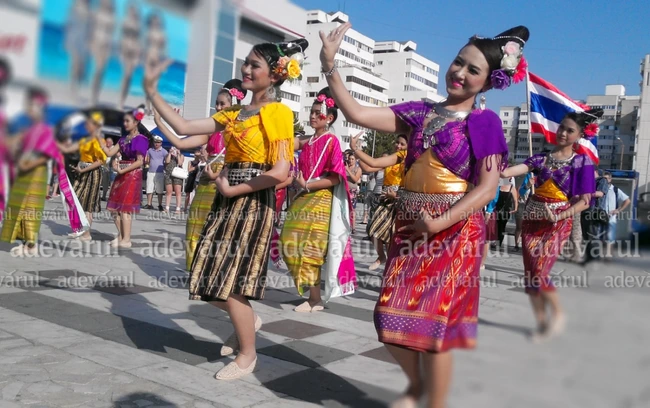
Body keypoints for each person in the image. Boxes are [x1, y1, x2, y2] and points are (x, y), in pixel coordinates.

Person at [320, 22, 527, 408]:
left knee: (435, 331)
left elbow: (487, 189)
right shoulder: (419, 112)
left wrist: (438, 222)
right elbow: (356, 112)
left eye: (473, 70)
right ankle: (417, 386)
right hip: (409, 228)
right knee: (387, 318)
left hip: (453, 232)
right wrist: (329, 64)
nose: (459, 73)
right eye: (458, 62)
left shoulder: (484, 123)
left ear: (488, 82)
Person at [144, 39, 307, 379]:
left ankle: (248, 355)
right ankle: (248, 320)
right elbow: (185, 130)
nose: (246, 69)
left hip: (252, 200)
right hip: (225, 196)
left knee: (231, 283)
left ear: (274, 75)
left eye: (254, 65)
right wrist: (152, 91)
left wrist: (234, 188)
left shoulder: (278, 113)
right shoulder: (234, 112)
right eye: (245, 62)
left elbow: (281, 171)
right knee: (205, 276)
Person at [502, 109, 600, 342]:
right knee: (530, 275)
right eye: (562, 127)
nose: (563, 133)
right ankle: (542, 322)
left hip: (557, 223)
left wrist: (559, 216)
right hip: (532, 220)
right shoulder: (541, 158)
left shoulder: (581, 162)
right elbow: (509, 171)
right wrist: (493, 162)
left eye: (570, 130)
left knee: (540, 272)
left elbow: (585, 202)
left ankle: (557, 314)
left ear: (579, 135)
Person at [152, 78, 247, 271]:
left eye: (222, 104)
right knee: (194, 226)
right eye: (217, 103)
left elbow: (244, 162)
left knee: (219, 232)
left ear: (233, 105)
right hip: (205, 183)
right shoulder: (211, 130)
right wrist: (159, 123)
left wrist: (218, 175)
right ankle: (195, 271)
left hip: (226, 185)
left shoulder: (242, 131)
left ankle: (213, 272)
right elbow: (180, 142)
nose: (218, 107)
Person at [280, 87, 356, 312]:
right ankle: (313, 296)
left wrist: (307, 185)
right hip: (303, 197)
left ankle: (315, 299)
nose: (312, 116)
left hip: (320, 199)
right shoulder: (309, 140)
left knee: (311, 250)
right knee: (289, 241)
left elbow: (335, 177)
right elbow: (286, 142)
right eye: (311, 112)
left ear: (329, 118)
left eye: (317, 112)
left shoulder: (331, 141)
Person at [2, 88, 88, 255]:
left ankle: (31, 245)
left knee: (31, 207)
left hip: (36, 171)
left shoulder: (46, 129)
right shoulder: (29, 129)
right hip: (25, 170)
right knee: (20, 206)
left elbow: (48, 154)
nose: (30, 109)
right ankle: (26, 242)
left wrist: (28, 165)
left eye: (33, 106)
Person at [350, 134, 407, 271]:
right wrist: (356, 152)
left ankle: (392, 268)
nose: (398, 146)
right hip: (385, 199)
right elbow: (369, 167)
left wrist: (396, 195)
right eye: (397, 142)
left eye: (402, 144)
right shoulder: (389, 159)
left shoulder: (408, 161)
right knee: (373, 229)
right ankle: (382, 257)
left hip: (399, 200)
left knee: (392, 236)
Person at [100, 107, 150, 248]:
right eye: (124, 121)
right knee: (113, 209)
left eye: (128, 121)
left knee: (125, 209)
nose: (125, 123)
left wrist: (123, 170)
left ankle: (126, 239)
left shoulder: (141, 139)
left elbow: (140, 161)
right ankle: (121, 235)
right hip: (121, 172)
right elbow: (109, 153)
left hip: (132, 174)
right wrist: (99, 139)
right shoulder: (123, 139)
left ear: (136, 122)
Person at [57, 112, 107, 241]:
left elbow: (100, 161)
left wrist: (83, 169)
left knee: (87, 205)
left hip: (93, 173)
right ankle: (80, 229)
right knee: (75, 199)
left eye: (89, 123)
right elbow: (67, 149)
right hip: (82, 171)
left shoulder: (98, 140)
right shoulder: (85, 139)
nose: (86, 125)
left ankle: (86, 234)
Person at [90, 0, 115, 106]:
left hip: (106, 46)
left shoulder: (112, 17)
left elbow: (111, 33)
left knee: (101, 72)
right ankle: (93, 97)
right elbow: (91, 28)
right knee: (97, 70)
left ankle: (95, 96)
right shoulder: (97, 12)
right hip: (97, 43)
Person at [65, 0, 91, 102]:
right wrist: (67, 41)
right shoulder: (75, 6)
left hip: (84, 42)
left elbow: (90, 28)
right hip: (74, 39)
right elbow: (69, 24)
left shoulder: (90, 9)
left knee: (81, 69)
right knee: (75, 66)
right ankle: (72, 90)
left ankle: (76, 90)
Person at [118, 3, 141, 109]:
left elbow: (139, 40)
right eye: (131, 10)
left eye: (134, 11)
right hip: (125, 49)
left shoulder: (138, 24)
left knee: (128, 77)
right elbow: (121, 37)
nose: (133, 13)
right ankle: (120, 101)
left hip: (134, 50)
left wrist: (138, 56)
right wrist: (120, 52)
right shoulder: (125, 21)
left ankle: (122, 101)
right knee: (125, 76)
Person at [602, 171, 631, 257]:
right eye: (604, 179)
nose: (605, 180)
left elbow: (627, 200)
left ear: (610, 179)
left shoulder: (615, 190)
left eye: (607, 178)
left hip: (611, 219)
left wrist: (618, 210)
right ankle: (601, 254)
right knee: (600, 237)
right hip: (600, 218)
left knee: (610, 237)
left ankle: (608, 255)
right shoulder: (599, 189)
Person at [143, 135, 167, 210]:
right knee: (149, 188)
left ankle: (160, 205)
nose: (156, 144)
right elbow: (147, 159)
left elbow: (167, 161)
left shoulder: (164, 151)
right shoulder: (150, 150)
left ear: (161, 143)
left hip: (159, 172)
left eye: (158, 142)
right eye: (155, 142)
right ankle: (149, 204)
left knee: (159, 189)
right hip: (150, 171)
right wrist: (146, 161)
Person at [494, 176, 518, 249]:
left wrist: (515, 208)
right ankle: (496, 241)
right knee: (497, 226)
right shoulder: (499, 185)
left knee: (502, 226)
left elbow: (515, 200)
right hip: (497, 208)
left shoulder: (512, 187)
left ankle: (499, 242)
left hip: (506, 210)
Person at [513, 172, 534, 252]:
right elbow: (521, 192)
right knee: (519, 226)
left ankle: (529, 246)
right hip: (522, 204)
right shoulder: (529, 175)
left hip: (534, 205)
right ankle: (516, 245)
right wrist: (528, 185)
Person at [482, 186, 500, 270]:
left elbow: (495, 192)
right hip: (475, 206)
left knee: (486, 238)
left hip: (487, 210)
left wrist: (489, 210)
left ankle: (481, 263)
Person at [163, 146, 184, 214]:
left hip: (177, 175)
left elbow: (180, 163)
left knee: (178, 192)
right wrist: (170, 153)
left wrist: (178, 154)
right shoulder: (167, 155)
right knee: (169, 192)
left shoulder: (181, 156)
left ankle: (178, 209)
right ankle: (167, 208)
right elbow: (167, 161)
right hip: (168, 174)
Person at [345, 150, 362, 233]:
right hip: (344, 189)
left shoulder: (358, 169)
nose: (351, 161)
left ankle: (353, 227)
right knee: (344, 208)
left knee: (352, 209)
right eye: (350, 159)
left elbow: (355, 179)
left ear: (355, 160)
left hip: (352, 191)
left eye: (352, 159)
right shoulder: (344, 167)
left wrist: (348, 170)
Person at [100, 136, 116, 201]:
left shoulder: (114, 148)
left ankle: (111, 197)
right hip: (105, 168)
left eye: (109, 142)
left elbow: (117, 155)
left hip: (112, 169)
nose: (108, 143)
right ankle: (104, 196)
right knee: (105, 183)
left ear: (112, 143)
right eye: (107, 142)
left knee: (112, 184)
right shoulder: (104, 149)